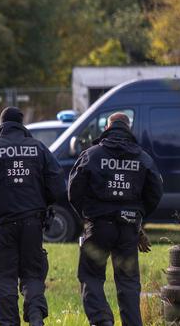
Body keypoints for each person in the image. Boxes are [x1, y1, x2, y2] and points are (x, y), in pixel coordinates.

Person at [0, 107, 65, 326]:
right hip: (33, 223)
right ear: (22, 124)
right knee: (33, 273)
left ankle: (10, 322)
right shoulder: (38, 148)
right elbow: (58, 187)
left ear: (1, 124)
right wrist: (43, 202)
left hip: (3, 224)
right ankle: (36, 315)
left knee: (3, 277)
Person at [68, 113, 163, 326]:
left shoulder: (91, 155)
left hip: (99, 226)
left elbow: (74, 190)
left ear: (108, 127)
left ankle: (102, 321)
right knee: (128, 282)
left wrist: (87, 215)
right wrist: (138, 217)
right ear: (128, 128)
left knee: (91, 277)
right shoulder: (142, 157)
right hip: (128, 228)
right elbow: (155, 191)